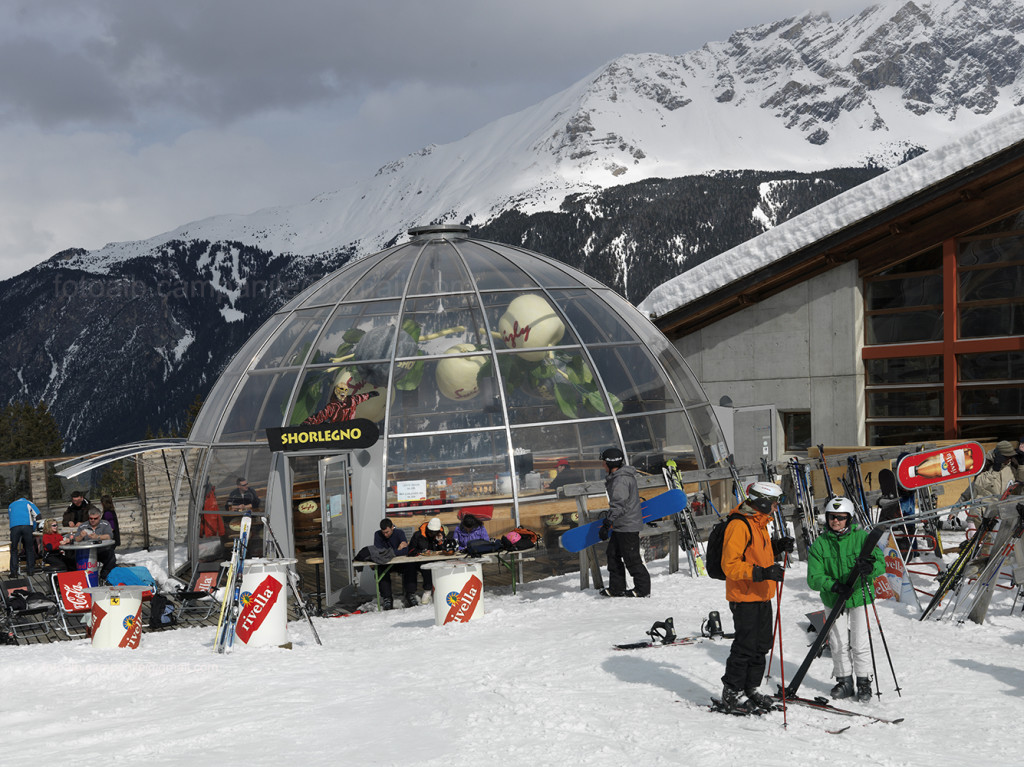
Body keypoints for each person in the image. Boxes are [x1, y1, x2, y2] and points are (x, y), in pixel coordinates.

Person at [719, 481, 792, 714]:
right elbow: (730, 566)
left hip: (762, 594)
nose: (776, 507)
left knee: (761, 645)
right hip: (745, 596)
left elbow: (757, 552)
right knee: (745, 647)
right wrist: (762, 573)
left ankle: (750, 687)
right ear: (761, 502)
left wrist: (777, 546)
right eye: (773, 502)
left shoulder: (759, 522)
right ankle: (732, 692)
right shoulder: (739, 525)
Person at [806, 496, 885, 702]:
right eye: (832, 517)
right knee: (838, 642)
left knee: (859, 642)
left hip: (859, 595)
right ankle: (844, 682)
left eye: (841, 518)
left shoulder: (861, 538)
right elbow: (814, 578)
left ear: (849, 519)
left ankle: (864, 681)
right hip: (834, 598)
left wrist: (870, 568)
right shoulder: (820, 544)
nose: (836, 521)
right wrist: (833, 585)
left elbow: (879, 562)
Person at [597, 447, 650, 598]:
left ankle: (642, 589)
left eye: (603, 462)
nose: (602, 465)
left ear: (609, 463)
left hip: (627, 525)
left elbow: (618, 504)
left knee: (631, 558)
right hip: (622, 524)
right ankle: (617, 588)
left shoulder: (620, 480)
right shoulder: (618, 477)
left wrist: (607, 523)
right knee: (612, 554)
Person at [373, 519, 417, 610]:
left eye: (387, 532)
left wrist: (388, 553)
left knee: (411, 566)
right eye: (383, 532)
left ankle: (410, 594)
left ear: (392, 527)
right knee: (380, 570)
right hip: (385, 564)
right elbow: (378, 553)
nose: (385, 535)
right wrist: (397, 550)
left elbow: (405, 551)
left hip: (399, 563)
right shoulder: (377, 535)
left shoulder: (399, 533)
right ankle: (387, 598)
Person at [407, 517, 450, 605]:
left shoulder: (440, 535)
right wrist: (422, 552)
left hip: (436, 560)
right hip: (421, 561)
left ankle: (443, 589)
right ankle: (427, 591)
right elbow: (410, 551)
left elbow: (445, 550)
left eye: (434, 533)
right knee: (425, 567)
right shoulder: (418, 535)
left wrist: (440, 542)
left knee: (445, 565)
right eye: (431, 532)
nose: (432, 535)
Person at [72, 507, 117, 582]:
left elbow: (109, 536)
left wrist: (98, 537)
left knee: (111, 556)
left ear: (99, 517)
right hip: (87, 552)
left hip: (101, 550)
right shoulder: (83, 526)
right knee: (73, 557)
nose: (92, 520)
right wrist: (81, 536)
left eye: (95, 518)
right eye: (91, 518)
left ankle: (103, 576)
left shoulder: (105, 524)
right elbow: (76, 539)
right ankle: (81, 579)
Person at [7, 493, 40, 577]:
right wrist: (34, 527)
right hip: (26, 526)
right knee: (29, 548)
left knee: (14, 549)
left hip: (14, 527)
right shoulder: (28, 502)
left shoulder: (11, 505)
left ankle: (13, 572)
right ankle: (30, 571)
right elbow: (38, 515)